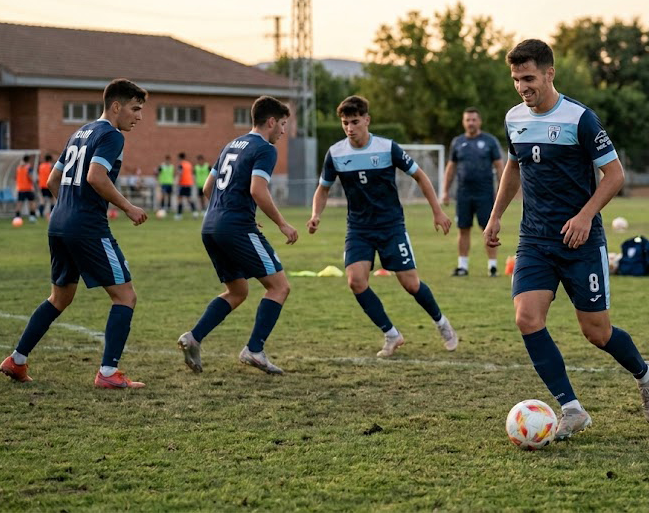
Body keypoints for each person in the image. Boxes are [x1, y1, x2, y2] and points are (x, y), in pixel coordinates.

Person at [483, 39, 649, 440]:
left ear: (550, 74)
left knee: (597, 332)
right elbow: (514, 168)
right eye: (515, 79)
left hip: (581, 242)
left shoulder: (580, 118)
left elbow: (614, 175)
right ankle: (571, 408)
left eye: (528, 78)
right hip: (534, 239)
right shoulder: (515, 118)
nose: (522, 87)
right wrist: (496, 216)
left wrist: (585, 215)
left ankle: (644, 372)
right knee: (526, 318)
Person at [0, 78, 150, 388]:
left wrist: (68, 208)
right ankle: (108, 374)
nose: (139, 116)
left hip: (59, 223)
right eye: (135, 109)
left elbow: (53, 180)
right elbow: (96, 177)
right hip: (87, 226)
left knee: (60, 297)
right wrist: (127, 207)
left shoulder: (80, 132)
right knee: (125, 296)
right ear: (116, 106)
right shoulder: (112, 135)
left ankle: (17, 360)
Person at [308, 95, 458, 357]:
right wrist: (315, 214)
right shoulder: (336, 153)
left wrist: (437, 211)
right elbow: (323, 189)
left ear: (367, 119)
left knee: (411, 284)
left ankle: (442, 324)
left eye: (355, 121)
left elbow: (420, 176)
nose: (350, 128)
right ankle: (391, 334)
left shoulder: (387, 148)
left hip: (391, 227)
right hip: (358, 229)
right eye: (345, 123)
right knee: (356, 281)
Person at [177, 96, 298, 375]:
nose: (283, 131)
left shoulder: (231, 144)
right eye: (282, 124)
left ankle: (193, 337)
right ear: (270, 121)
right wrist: (281, 223)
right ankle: (254, 350)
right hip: (235, 227)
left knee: (238, 291)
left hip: (211, 226)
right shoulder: (265, 149)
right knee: (279, 287)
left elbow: (208, 188)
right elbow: (258, 190)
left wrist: (228, 212)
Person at [442, 107, 504, 277]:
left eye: (474, 119)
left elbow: (500, 166)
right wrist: (445, 191)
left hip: (485, 193)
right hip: (463, 193)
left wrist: (501, 189)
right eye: (467, 120)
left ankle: (492, 267)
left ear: (479, 121)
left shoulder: (490, 141)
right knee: (463, 229)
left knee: (488, 228)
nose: (471, 123)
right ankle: (463, 266)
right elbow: (451, 167)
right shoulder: (457, 142)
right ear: (463, 122)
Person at [174, 152, 198, 219]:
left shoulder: (181, 165)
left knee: (179, 199)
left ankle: (179, 215)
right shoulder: (189, 164)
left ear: (179, 158)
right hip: (189, 183)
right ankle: (195, 212)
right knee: (189, 198)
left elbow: (180, 174)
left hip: (182, 183)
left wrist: (177, 182)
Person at [15, 155, 37, 222]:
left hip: (20, 188)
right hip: (28, 188)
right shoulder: (28, 167)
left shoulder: (18, 168)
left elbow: (15, 177)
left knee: (19, 203)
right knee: (31, 202)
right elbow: (30, 177)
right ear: (28, 160)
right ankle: (32, 217)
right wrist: (34, 182)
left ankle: (17, 217)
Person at [38, 154, 55, 218]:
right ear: (50, 159)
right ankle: (52, 212)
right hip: (49, 184)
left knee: (43, 200)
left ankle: (41, 213)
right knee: (52, 199)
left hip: (42, 185)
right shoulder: (51, 166)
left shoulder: (41, 166)